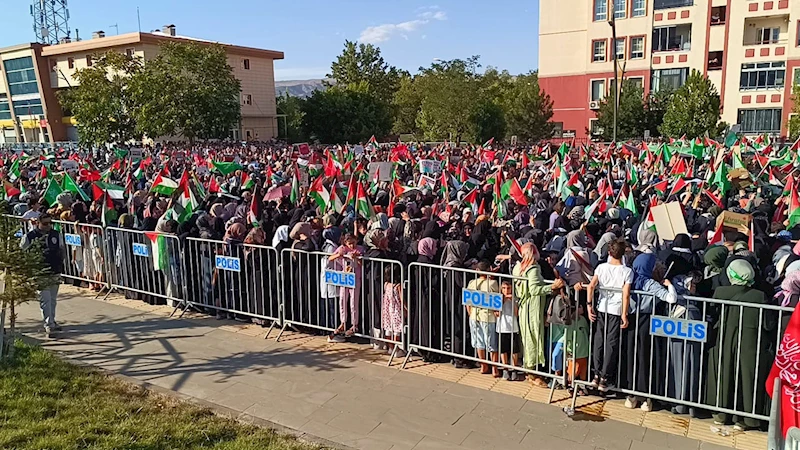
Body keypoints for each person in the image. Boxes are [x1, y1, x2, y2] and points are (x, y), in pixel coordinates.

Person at [707, 259, 774, 430]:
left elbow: (712, 315)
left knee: (724, 374)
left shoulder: (720, 292)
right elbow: (768, 324)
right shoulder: (759, 296)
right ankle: (745, 419)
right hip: (750, 343)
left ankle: (721, 415)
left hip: (724, 340)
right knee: (746, 379)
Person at [513, 243, 564, 386]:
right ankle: (532, 373)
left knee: (527, 339)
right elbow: (535, 289)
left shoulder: (518, 267)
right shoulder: (533, 269)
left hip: (524, 306)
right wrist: (552, 287)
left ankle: (530, 370)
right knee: (534, 339)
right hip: (533, 308)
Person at [587, 239, 633, 392]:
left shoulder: (601, 267)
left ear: (609, 252)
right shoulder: (627, 271)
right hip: (616, 309)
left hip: (601, 307)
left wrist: (589, 305)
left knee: (599, 341)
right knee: (611, 344)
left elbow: (591, 286)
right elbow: (626, 294)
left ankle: (596, 375)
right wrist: (624, 314)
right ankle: (605, 378)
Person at [20, 213, 63, 338]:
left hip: (54, 270)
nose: (48, 226)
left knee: (53, 299)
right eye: (45, 223)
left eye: (50, 223)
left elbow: (61, 249)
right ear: (38, 223)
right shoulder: (30, 236)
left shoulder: (56, 234)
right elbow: (22, 251)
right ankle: (48, 324)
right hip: (40, 271)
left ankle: (52, 321)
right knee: (45, 299)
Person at [466, 261, 501, 377]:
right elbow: (497, 302)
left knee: (478, 342)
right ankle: (494, 368)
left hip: (474, 315)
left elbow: (467, 302)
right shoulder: (493, 283)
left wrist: (470, 312)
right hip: (488, 316)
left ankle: (483, 365)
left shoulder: (472, 283)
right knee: (491, 343)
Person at [496, 279, 522, 381]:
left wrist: (512, 302)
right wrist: (503, 301)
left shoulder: (515, 299)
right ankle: (505, 368)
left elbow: (516, 313)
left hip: (513, 327)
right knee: (503, 350)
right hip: (502, 327)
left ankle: (514, 369)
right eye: (504, 288)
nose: (506, 291)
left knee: (514, 350)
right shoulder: (498, 299)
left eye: (508, 288)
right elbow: (496, 313)